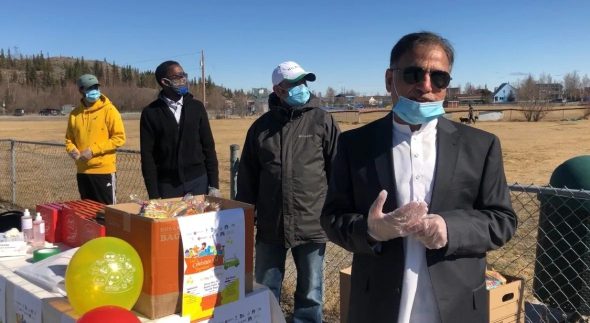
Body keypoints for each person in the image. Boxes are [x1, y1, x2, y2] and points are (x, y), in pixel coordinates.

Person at [321, 32, 517, 323]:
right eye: (413, 74)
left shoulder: (481, 146)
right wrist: (372, 230)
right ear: (390, 80)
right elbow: (332, 218)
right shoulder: (354, 145)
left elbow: (502, 220)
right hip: (378, 306)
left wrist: (450, 228)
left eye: (439, 78)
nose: (425, 86)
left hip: (457, 307)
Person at [236, 61, 340, 323]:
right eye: (293, 83)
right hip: (271, 224)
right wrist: (246, 218)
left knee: (311, 292)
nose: (300, 87)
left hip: (312, 223)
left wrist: (334, 212)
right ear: (278, 90)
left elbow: (337, 168)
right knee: (265, 291)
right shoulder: (261, 127)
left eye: (303, 81)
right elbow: (247, 178)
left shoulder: (322, 120)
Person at [140, 61, 219, 199]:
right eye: (178, 77)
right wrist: (154, 194)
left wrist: (214, 185)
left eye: (184, 75)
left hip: (198, 181)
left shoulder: (197, 107)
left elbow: (209, 147)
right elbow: (147, 156)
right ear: (165, 82)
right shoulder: (151, 112)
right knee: (171, 221)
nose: (183, 80)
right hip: (167, 185)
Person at [65, 74, 126, 205]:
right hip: (82, 171)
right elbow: (69, 139)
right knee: (87, 212)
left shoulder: (109, 110)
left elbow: (119, 138)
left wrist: (93, 151)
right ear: (81, 90)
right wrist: (72, 150)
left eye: (96, 87)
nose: (94, 91)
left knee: (107, 213)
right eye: (90, 88)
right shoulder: (74, 114)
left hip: (103, 170)